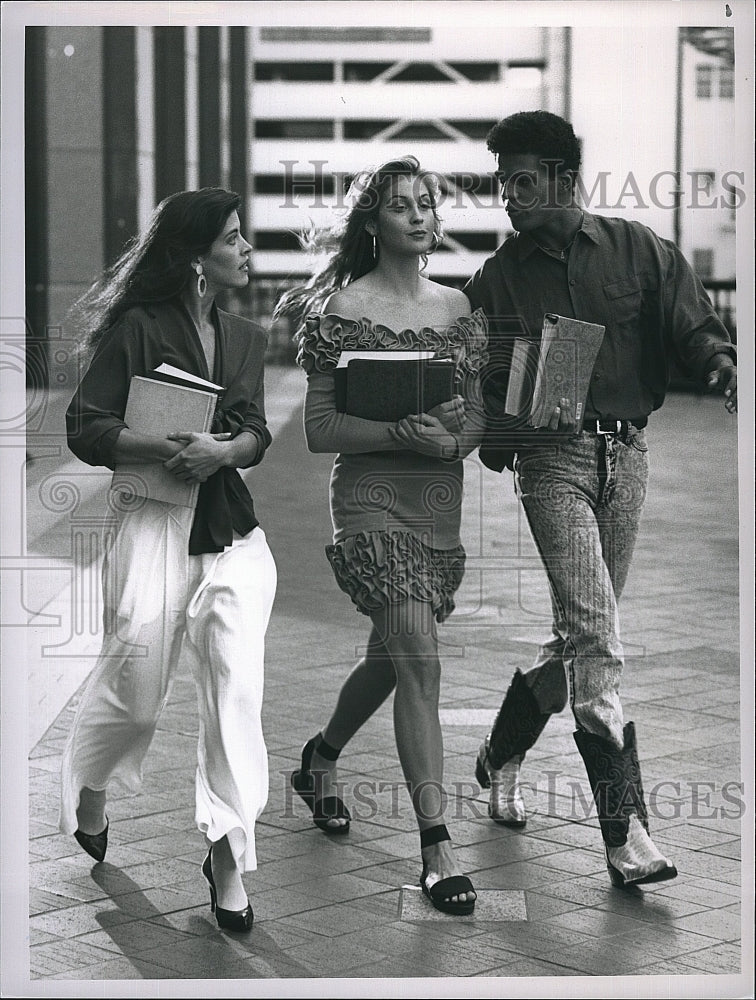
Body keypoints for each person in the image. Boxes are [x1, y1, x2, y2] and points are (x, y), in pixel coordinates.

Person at [464, 111, 737, 888]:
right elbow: (487, 402)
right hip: (551, 464)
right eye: (499, 181)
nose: (506, 196)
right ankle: (628, 836)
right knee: (598, 636)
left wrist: (720, 364)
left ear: (559, 178)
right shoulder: (497, 280)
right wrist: (518, 414)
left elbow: (692, 326)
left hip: (630, 454)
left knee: (584, 635)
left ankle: (501, 752)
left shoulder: (638, 249)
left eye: (520, 178)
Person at [59, 188, 277, 933]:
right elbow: (86, 426)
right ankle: (91, 784)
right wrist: (162, 449)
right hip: (152, 523)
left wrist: (226, 449)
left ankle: (227, 854)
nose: (246, 249)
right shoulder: (136, 328)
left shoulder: (245, 336)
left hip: (232, 535)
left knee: (234, 689)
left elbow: (253, 429)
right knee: (135, 689)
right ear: (194, 259)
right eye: (233, 238)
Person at [274, 156, 488, 915]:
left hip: (436, 501)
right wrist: (401, 429)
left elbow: (477, 421)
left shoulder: (460, 310)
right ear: (374, 221)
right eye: (401, 205)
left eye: (428, 202)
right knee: (419, 656)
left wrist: (451, 440)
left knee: (395, 658)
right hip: (368, 501)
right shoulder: (340, 309)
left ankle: (319, 760)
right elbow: (321, 429)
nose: (419, 214)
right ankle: (437, 847)